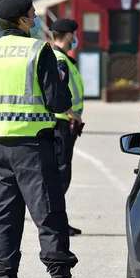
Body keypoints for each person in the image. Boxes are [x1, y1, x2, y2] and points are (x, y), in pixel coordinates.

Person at [0, 0, 97, 278]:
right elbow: (56, 101)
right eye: (33, 14)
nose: (37, 18)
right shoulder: (38, 51)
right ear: (23, 20)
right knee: (50, 218)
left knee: (4, 221)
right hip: (33, 147)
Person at [51, 18, 84, 236]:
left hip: (65, 122)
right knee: (61, 175)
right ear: (69, 36)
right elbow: (59, 91)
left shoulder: (62, 59)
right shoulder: (60, 60)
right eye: (74, 35)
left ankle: (58, 221)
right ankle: (55, 223)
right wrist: (73, 115)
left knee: (61, 174)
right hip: (62, 123)